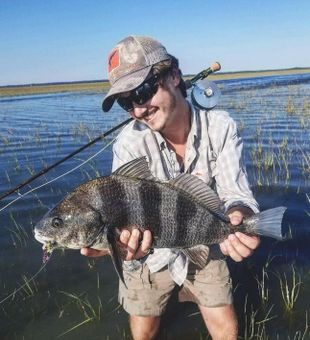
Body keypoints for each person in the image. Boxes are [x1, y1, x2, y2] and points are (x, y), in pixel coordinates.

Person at [81, 35, 260, 340]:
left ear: (174, 76)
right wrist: (118, 245)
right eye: (127, 101)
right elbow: (120, 210)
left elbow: (236, 194)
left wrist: (240, 215)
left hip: (203, 240)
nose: (138, 109)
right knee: (143, 331)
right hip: (150, 255)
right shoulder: (128, 143)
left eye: (143, 90)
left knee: (227, 331)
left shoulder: (221, 126)